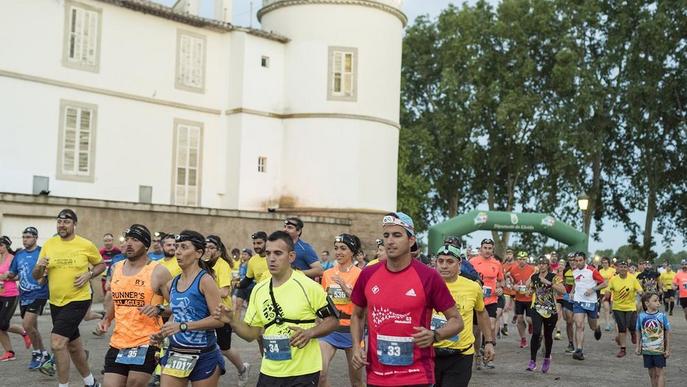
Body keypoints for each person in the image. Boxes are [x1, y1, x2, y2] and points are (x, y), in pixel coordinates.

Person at [350, 212, 463, 387]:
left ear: (411, 241)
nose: (390, 241)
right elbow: (357, 315)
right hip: (377, 375)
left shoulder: (428, 276)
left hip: (416, 376)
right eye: (386, 235)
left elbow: (456, 321)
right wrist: (357, 347)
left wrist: (435, 335)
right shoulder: (368, 274)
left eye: (397, 235)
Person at [214, 230, 339, 386]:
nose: (271, 258)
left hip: (302, 372)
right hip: (270, 370)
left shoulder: (309, 287)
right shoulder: (259, 290)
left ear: (291, 256)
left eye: (278, 253)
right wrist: (232, 321)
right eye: (268, 253)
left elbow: (333, 320)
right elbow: (251, 334)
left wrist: (310, 333)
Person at [32, 209, 106, 387]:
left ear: (74, 224)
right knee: (73, 346)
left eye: (66, 222)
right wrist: (40, 267)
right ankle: (91, 382)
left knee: (57, 343)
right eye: (59, 222)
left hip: (79, 299)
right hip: (56, 301)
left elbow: (101, 264)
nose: (61, 225)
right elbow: (37, 276)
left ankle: (63, 385)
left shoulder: (85, 244)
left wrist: (89, 274)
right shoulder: (49, 244)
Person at [97, 224, 172, 387]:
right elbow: (117, 302)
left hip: (147, 341)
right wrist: (107, 319)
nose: (129, 243)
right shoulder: (116, 267)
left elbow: (177, 307)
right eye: (127, 239)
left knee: (134, 384)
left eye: (135, 240)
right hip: (119, 341)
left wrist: (159, 309)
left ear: (146, 245)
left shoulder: (158, 271)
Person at [151, 230, 225, 387]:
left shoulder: (205, 280)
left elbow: (219, 320)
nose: (178, 252)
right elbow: (179, 313)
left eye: (184, 247)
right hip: (176, 353)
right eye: (177, 247)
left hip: (204, 354)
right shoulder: (173, 282)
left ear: (198, 253)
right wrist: (163, 332)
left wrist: (183, 327)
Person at [432, 244, 494, 387]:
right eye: (440, 261)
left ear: (459, 264)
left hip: (461, 356)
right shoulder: (426, 284)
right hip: (430, 354)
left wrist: (489, 342)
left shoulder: (472, 287)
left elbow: (481, 312)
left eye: (449, 261)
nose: (444, 266)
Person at [202, 235, 250, 386]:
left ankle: (242, 368)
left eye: (211, 247)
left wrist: (203, 291)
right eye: (206, 247)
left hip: (222, 312)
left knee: (225, 348)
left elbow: (223, 292)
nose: (208, 250)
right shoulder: (202, 264)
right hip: (205, 310)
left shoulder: (222, 265)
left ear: (218, 250)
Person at [318, 234, 363, 387]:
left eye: (343, 248)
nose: (338, 252)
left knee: (356, 382)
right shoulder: (327, 274)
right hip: (331, 330)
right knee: (320, 375)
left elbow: (362, 303)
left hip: (353, 332)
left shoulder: (360, 274)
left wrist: (344, 287)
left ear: (352, 251)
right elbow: (322, 300)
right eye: (336, 248)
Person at [3, 227, 49, 368]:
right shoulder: (19, 255)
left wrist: (45, 278)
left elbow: (48, 271)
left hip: (39, 293)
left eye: (28, 237)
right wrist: (7, 276)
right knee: (32, 328)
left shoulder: (42, 252)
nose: (25, 240)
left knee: (27, 325)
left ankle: (36, 354)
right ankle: (44, 354)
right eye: (23, 237)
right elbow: (13, 273)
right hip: (24, 295)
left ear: (35, 238)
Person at [526, 257, 565, 373]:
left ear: (548, 265)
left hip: (550, 310)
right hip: (537, 308)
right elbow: (532, 289)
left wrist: (549, 283)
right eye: (540, 263)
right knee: (536, 333)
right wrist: (530, 291)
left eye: (544, 263)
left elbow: (563, 291)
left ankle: (547, 358)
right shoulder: (535, 276)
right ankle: (532, 361)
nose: (542, 265)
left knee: (548, 336)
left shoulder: (554, 277)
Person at [469, 238, 503, 369]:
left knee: (491, 326)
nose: (487, 250)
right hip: (477, 300)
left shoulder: (497, 263)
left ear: (493, 249)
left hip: (491, 300)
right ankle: (477, 354)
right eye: (485, 248)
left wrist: (500, 288)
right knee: (477, 331)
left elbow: (501, 281)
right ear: (481, 248)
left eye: (490, 248)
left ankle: (486, 349)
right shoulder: (472, 262)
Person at [0, 235, 33, 362]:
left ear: (6, 246)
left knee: (2, 323)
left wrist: (7, 277)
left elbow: (20, 275)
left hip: (11, 294)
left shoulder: (13, 258)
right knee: (1, 324)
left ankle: (24, 332)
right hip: (0, 293)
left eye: (1, 245)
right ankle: (9, 352)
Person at [570, 251, 607, 360]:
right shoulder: (574, 271)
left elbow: (605, 283)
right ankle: (579, 350)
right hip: (578, 301)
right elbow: (575, 283)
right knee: (579, 325)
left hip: (591, 302)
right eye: (576, 260)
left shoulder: (592, 270)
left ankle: (597, 327)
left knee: (592, 326)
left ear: (584, 260)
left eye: (580, 260)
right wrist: (572, 292)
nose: (578, 262)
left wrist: (593, 289)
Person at [606, 260, 643, 358]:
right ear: (617, 268)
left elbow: (639, 289)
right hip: (618, 307)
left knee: (632, 325)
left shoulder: (632, 279)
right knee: (622, 327)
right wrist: (607, 295)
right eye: (621, 267)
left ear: (627, 268)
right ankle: (623, 349)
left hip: (631, 307)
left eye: (625, 267)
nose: (623, 269)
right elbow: (608, 290)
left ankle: (633, 333)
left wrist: (640, 292)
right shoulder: (613, 279)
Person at [636, 292, 670, 387]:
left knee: (659, 373)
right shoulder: (641, 316)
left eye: (658, 300)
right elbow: (638, 331)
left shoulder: (662, 316)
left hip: (659, 350)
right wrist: (638, 346)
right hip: (647, 350)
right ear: (647, 303)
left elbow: (667, 332)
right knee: (652, 374)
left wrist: (667, 349)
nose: (658, 303)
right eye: (655, 301)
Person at [507, 251, 535, 349]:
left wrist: (531, 289)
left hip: (530, 298)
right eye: (520, 259)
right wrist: (513, 287)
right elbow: (509, 283)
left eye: (524, 259)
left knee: (529, 319)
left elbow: (536, 281)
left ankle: (531, 325)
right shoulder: (513, 270)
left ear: (526, 259)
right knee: (519, 319)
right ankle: (523, 339)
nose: (522, 261)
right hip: (519, 299)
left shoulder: (532, 269)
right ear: (517, 259)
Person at [598, 256, 616, 331]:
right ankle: (607, 324)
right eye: (603, 263)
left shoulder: (613, 270)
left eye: (606, 263)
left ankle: (616, 323)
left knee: (613, 309)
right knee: (606, 308)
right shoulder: (600, 271)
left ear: (609, 263)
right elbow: (599, 281)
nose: (605, 264)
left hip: (613, 292)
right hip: (603, 292)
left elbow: (615, 280)